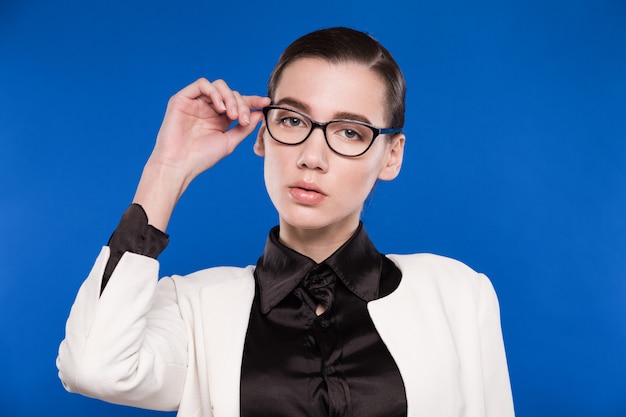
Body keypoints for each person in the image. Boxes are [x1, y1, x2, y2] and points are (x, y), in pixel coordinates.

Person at [57, 27, 514, 417]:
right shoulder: (199, 308)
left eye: (350, 132)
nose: (311, 157)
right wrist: (166, 169)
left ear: (391, 156)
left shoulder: (458, 294)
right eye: (293, 121)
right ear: (263, 135)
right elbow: (92, 367)